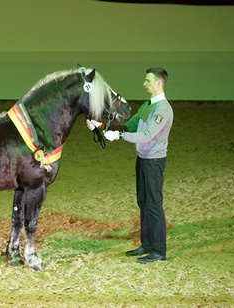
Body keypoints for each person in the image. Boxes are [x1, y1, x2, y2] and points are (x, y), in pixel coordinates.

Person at [87, 67, 173, 263]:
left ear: (159, 83)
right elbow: (130, 125)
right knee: (143, 203)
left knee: (154, 206)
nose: (144, 84)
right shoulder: (147, 106)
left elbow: (146, 136)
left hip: (153, 162)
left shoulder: (162, 110)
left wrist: (119, 136)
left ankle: (159, 251)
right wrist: (101, 125)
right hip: (143, 159)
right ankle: (146, 245)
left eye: (148, 81)